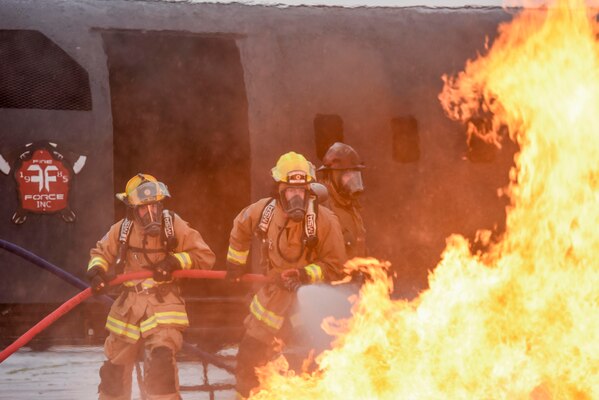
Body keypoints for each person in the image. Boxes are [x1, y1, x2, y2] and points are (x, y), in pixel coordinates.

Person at [225, 152, 346, 399]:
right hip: (270, 303)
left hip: (306, 310)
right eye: (290, 191)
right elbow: (240, 227)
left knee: (307, 367)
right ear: (279, 190)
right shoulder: (264, 212)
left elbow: (336, 266)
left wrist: (304, 274)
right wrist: (235, 264)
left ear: (309, 190)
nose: (296, 197)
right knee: (249, 362)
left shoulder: (324, 221)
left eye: (301, 190)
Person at [86, 173, 215, 400]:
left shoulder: (173, 225)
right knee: (113, 373)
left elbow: (205, 256)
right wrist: (97, 272)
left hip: (164, 306)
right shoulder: (122, 230)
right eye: (144, 208)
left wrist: (174, 262)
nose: (151, 213)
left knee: (161, 366)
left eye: (154, 206)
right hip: (128, 310)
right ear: (132, 209)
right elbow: (100, 253)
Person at [317, 142, 367, 259]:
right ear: (333, 176)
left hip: (353, 269)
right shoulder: (321, 208)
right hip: (334, 271)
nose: (352, 180)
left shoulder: (350, 205)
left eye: (355, 175)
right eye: (348, 175)